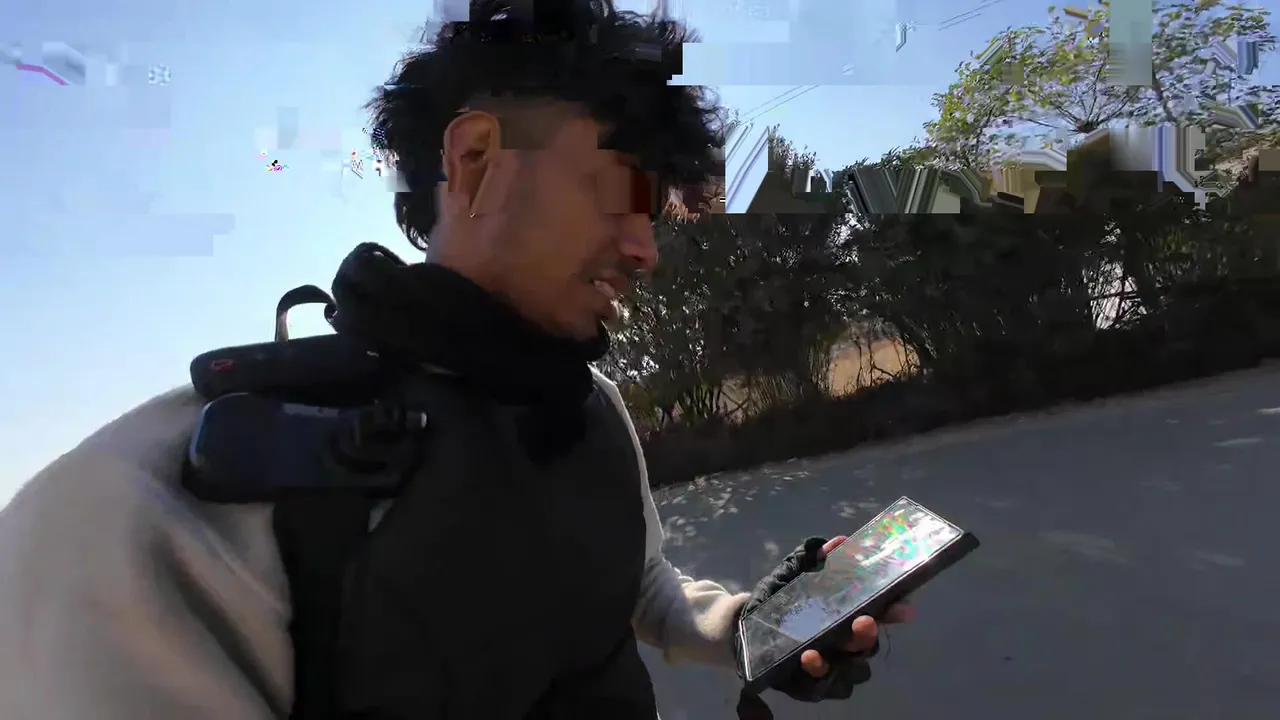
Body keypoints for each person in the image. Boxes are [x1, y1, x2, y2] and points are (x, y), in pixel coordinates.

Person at [0, 2, 911, 719]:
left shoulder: (592, 407)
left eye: (654, 213)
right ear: (475, 160)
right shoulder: (132, 510)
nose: (645, 248)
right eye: (623, 191)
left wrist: (756, 623)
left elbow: (635, 586)